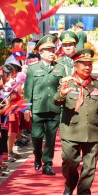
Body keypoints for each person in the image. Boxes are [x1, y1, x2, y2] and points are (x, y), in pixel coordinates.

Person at [55, 48, 98, 195]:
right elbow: (56, 101)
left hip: (91, 130)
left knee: (90, 166)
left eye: (90, 64)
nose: (87, 67)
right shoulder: (66, 82)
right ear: (75, 65)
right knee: (69, 161)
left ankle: (84, 193)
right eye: (84, 64)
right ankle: (70, 183)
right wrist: (61, 94)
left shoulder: (97, 84)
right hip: (71, 130)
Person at [23, 36, 65, 176]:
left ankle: (47, 164)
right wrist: (27, 108)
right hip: (38, 108)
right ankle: (37, 155)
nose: (52, 53)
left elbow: (63, 88)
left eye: (53, 50)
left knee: (51, 138)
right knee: (36, 136)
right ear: (40, 52)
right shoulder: (33, 68)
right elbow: (28, 90)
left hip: (54, 108)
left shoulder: (60, 68)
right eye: (48, 50)